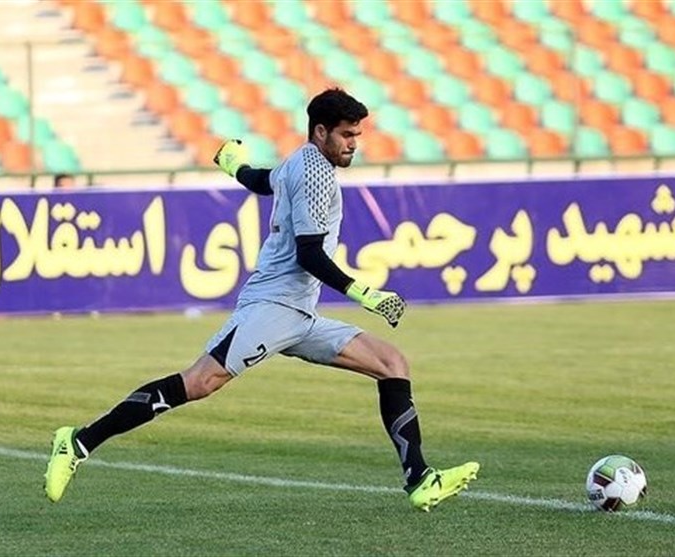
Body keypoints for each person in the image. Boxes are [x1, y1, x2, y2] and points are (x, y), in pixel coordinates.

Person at [44, 88, 479, 511]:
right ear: (321, 131)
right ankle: (78, 441)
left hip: (300, 314)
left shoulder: (299, 161)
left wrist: (232, 162)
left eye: (357, 136)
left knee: (391, 364)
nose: (353, 144)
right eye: (347, 135)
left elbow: (260, 181)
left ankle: (419, 478)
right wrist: (364, 293)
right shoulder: (315, 173)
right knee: (198, 383)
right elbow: (309, 254)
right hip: (273, 307)